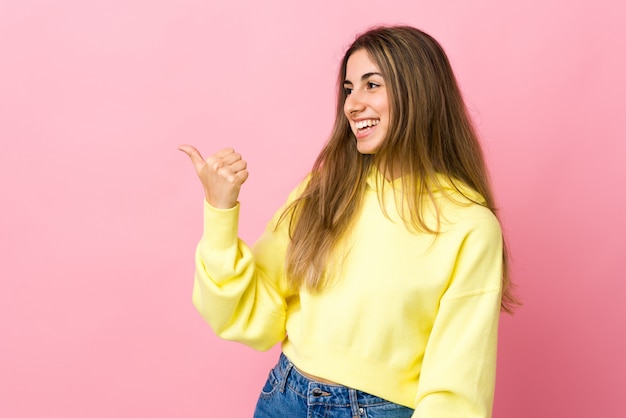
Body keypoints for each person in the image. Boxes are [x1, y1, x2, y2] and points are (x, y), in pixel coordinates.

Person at [179, 25, 517, 418]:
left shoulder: (469, 226)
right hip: (284, 398)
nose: (352, 104)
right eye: (348, 88)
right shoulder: (327, 189)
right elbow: (253, 311)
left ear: (419, 94)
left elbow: (458, 388)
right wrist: (220, 212)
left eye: (371, 85)